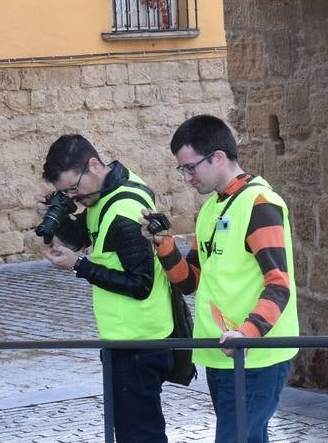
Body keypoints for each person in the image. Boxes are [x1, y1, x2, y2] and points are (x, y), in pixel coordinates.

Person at [144, 115, 298, 443]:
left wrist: (247, 333)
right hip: (221, 354)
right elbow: (191, 281)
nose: (186, 178)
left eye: (190, 167)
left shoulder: (259, 204)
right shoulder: (210, 211)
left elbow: (278, 283)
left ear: (217, 157)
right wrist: (164, 244)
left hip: (254, 356)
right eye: (182, 170)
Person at [38, 133, 173, 443]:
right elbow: (84, 237)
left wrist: (78, 265)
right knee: (133, 432)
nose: (73, 197)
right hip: (127, 339)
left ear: (94, 165)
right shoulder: (106, 193)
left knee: (140, 436)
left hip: (138, 342)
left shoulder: (125, 213)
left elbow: (141, 284)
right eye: (64, 193)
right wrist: (53, 218)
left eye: (74, 188)